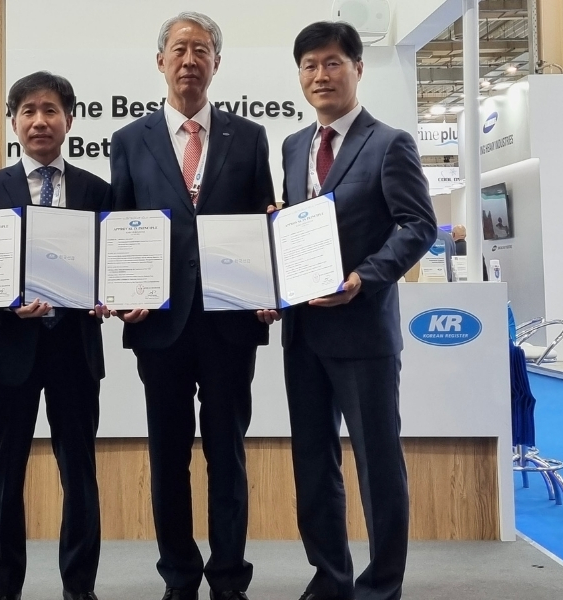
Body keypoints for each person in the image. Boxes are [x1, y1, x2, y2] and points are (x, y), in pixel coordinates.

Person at [109, 12, 274, 600]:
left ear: (216, 63)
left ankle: (228, 577)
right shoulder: (129, 141)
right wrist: (122, 294)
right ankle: (179, 576)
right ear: (160, 61)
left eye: (201, 50)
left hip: (231, 324)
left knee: (228, 455)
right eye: (178, 49)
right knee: (168, 458)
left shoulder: (249, 137)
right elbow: (121, 227)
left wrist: (269, 289)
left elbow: (264, 221)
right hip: (161, 327)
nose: (189, 60)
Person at [277, 21, 436, 600]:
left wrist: (363, 278)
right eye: (310, 65)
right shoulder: (294, 146)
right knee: (313, 464)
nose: (321, 75)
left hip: (363, 332)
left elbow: (418, 225)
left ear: (357, 69)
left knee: (377, 464)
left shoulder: (389, 143)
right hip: (303, 332)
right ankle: (331, 577)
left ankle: (382, 585)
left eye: (332, 63)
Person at [0, 72, 111, 600]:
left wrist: (109, 293)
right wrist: (6, 299)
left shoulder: (98, 191)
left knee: (80, 473)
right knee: (5, 473)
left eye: (50, 110)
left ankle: (80, 587)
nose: (39, 121)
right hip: (11, 348)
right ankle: (5, 588)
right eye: (27, 111)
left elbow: (111, 266)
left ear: (69, 119)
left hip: (75, 348)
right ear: (13, 122)